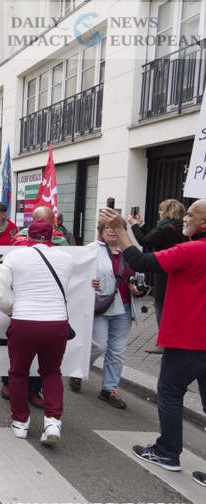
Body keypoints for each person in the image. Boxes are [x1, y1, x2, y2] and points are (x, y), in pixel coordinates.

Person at [100, 201, 206, 480]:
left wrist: (120, 229)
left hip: (186, 340)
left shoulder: (191, 250)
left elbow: (140, 262)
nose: (185, 219)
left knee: (170, 393)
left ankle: (167, 452)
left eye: (190, 215)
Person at [0, 219, 73, 446]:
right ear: (52, 236)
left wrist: (10, 309)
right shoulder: (66, 258)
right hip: (57, 322)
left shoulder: (15, 257)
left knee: (18, 373)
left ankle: (20, 422)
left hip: (25, 321)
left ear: (27, 236)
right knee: (52, 372)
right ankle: (52, 421)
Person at [68, 217, 145, 407]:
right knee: (99, 345)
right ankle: (78, 370)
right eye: (107, 228)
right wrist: (89, 283)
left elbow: (140, 276)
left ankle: (109, 388)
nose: (111, 231)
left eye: (115, 228)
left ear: (122, 230)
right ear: (101, 230)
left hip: (125, 307)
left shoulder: (131, 251)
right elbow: (76, 276)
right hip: (101, 305)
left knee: (117, 351)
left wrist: (138, 289)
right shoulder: (90, 250)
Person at [128, 199, 187, 353]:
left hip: (165, 273)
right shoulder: (181, 227)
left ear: (168, 212)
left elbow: (144, 241)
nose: (159, 213)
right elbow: (153, 237)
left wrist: (134, 225)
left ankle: (164, 343)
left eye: (161, 210)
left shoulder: (167, 229)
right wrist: (141, 225)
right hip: (178, 273)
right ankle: (174, 340)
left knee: (161, 306)